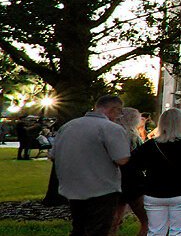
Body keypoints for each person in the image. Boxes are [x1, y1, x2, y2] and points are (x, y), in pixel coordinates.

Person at [52, 95, 133, 236]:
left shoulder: (68, 126)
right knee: (98, 229)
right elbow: (122, 160)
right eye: (119, 113)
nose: (118, 116)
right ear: (114, 109)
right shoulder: (111, 128)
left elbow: (53, 156)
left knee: (79, 227)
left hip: (72, 187)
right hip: (102, 188)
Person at [131, 108, 181, 236]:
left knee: (155, 231)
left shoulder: (150, 145)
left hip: (154, 192)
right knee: (179, 231)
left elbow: (134, 165)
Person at [112, 108, 149, 236]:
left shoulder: (111, 135)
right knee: (147, 221)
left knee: (114, 220)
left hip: (114, 180)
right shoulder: (134, 138)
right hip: (133, 182)